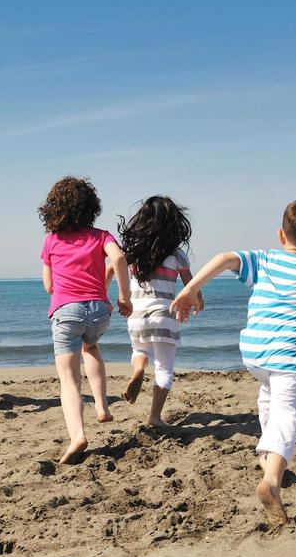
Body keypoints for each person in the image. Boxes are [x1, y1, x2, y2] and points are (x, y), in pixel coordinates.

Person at [170, 199, 296, 526]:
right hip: (291, 355)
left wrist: (191, 289)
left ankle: (269, 461)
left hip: (255, 353)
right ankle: (272, 483)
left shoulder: (264, 260)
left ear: (281, 235)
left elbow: (223, 258)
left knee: (268, 399)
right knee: (287, 414)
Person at [39, 176, 132, 464]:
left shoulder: (52, 240)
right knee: (90, 348)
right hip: (99, 312)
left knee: (69, 380)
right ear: (91, 207)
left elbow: (49, 285)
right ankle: (102, 406)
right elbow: (119, 259)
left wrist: (62, 291)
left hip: (68, 311)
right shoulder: (102, 236)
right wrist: (123, 296)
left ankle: (78, 435)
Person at [117, 195, 201, 427]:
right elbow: (191, 286)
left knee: (139, 349)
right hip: (164, 315)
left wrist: (109, 292)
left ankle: (138, 371)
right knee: (165, 367)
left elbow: (111, 270)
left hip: (136, 315)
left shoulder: (131, 253)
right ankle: (154, 416)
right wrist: (197, 301)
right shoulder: (176, 254)